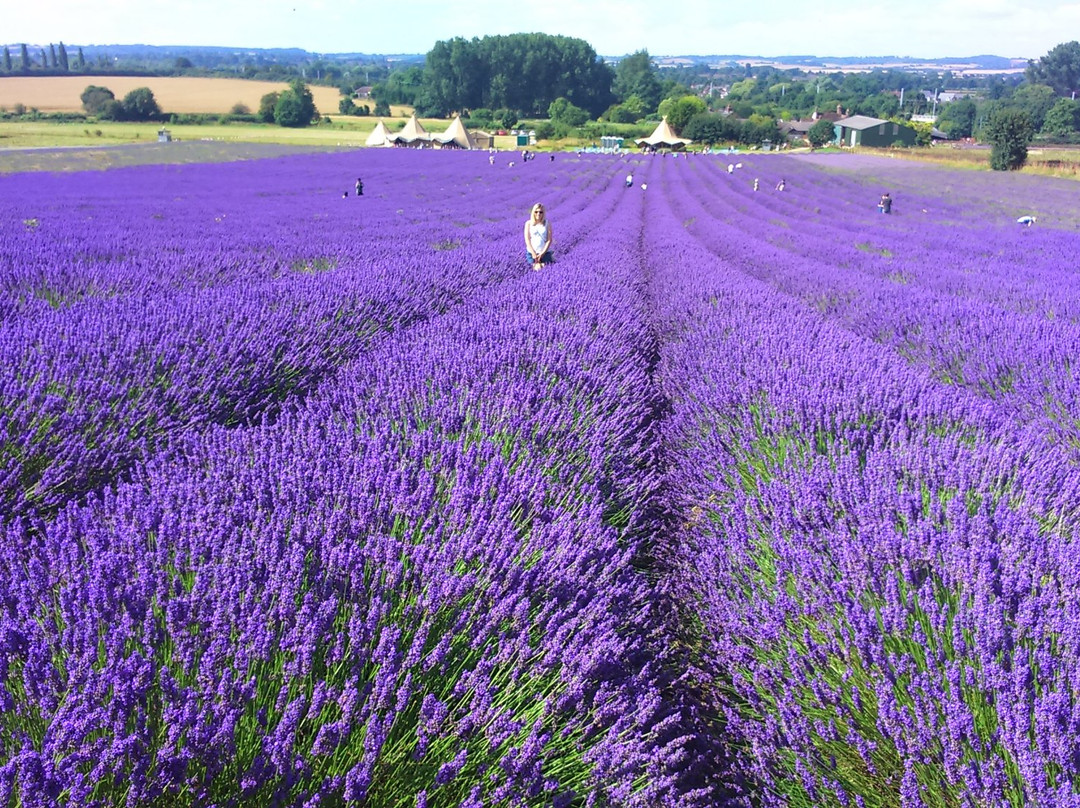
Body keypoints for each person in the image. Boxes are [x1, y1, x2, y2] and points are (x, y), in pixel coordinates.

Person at [524, 203, 554, 270]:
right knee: (532, 272)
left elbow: (549, 240)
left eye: (541, 212)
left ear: (543, 213)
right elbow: (527, 240)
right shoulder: (528, 223)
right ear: (533, 212)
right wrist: (533, 253)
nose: (538, 214)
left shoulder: (547, 223)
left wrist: (542, 253)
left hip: (545, 253)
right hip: (531, 253)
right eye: (536, 212)